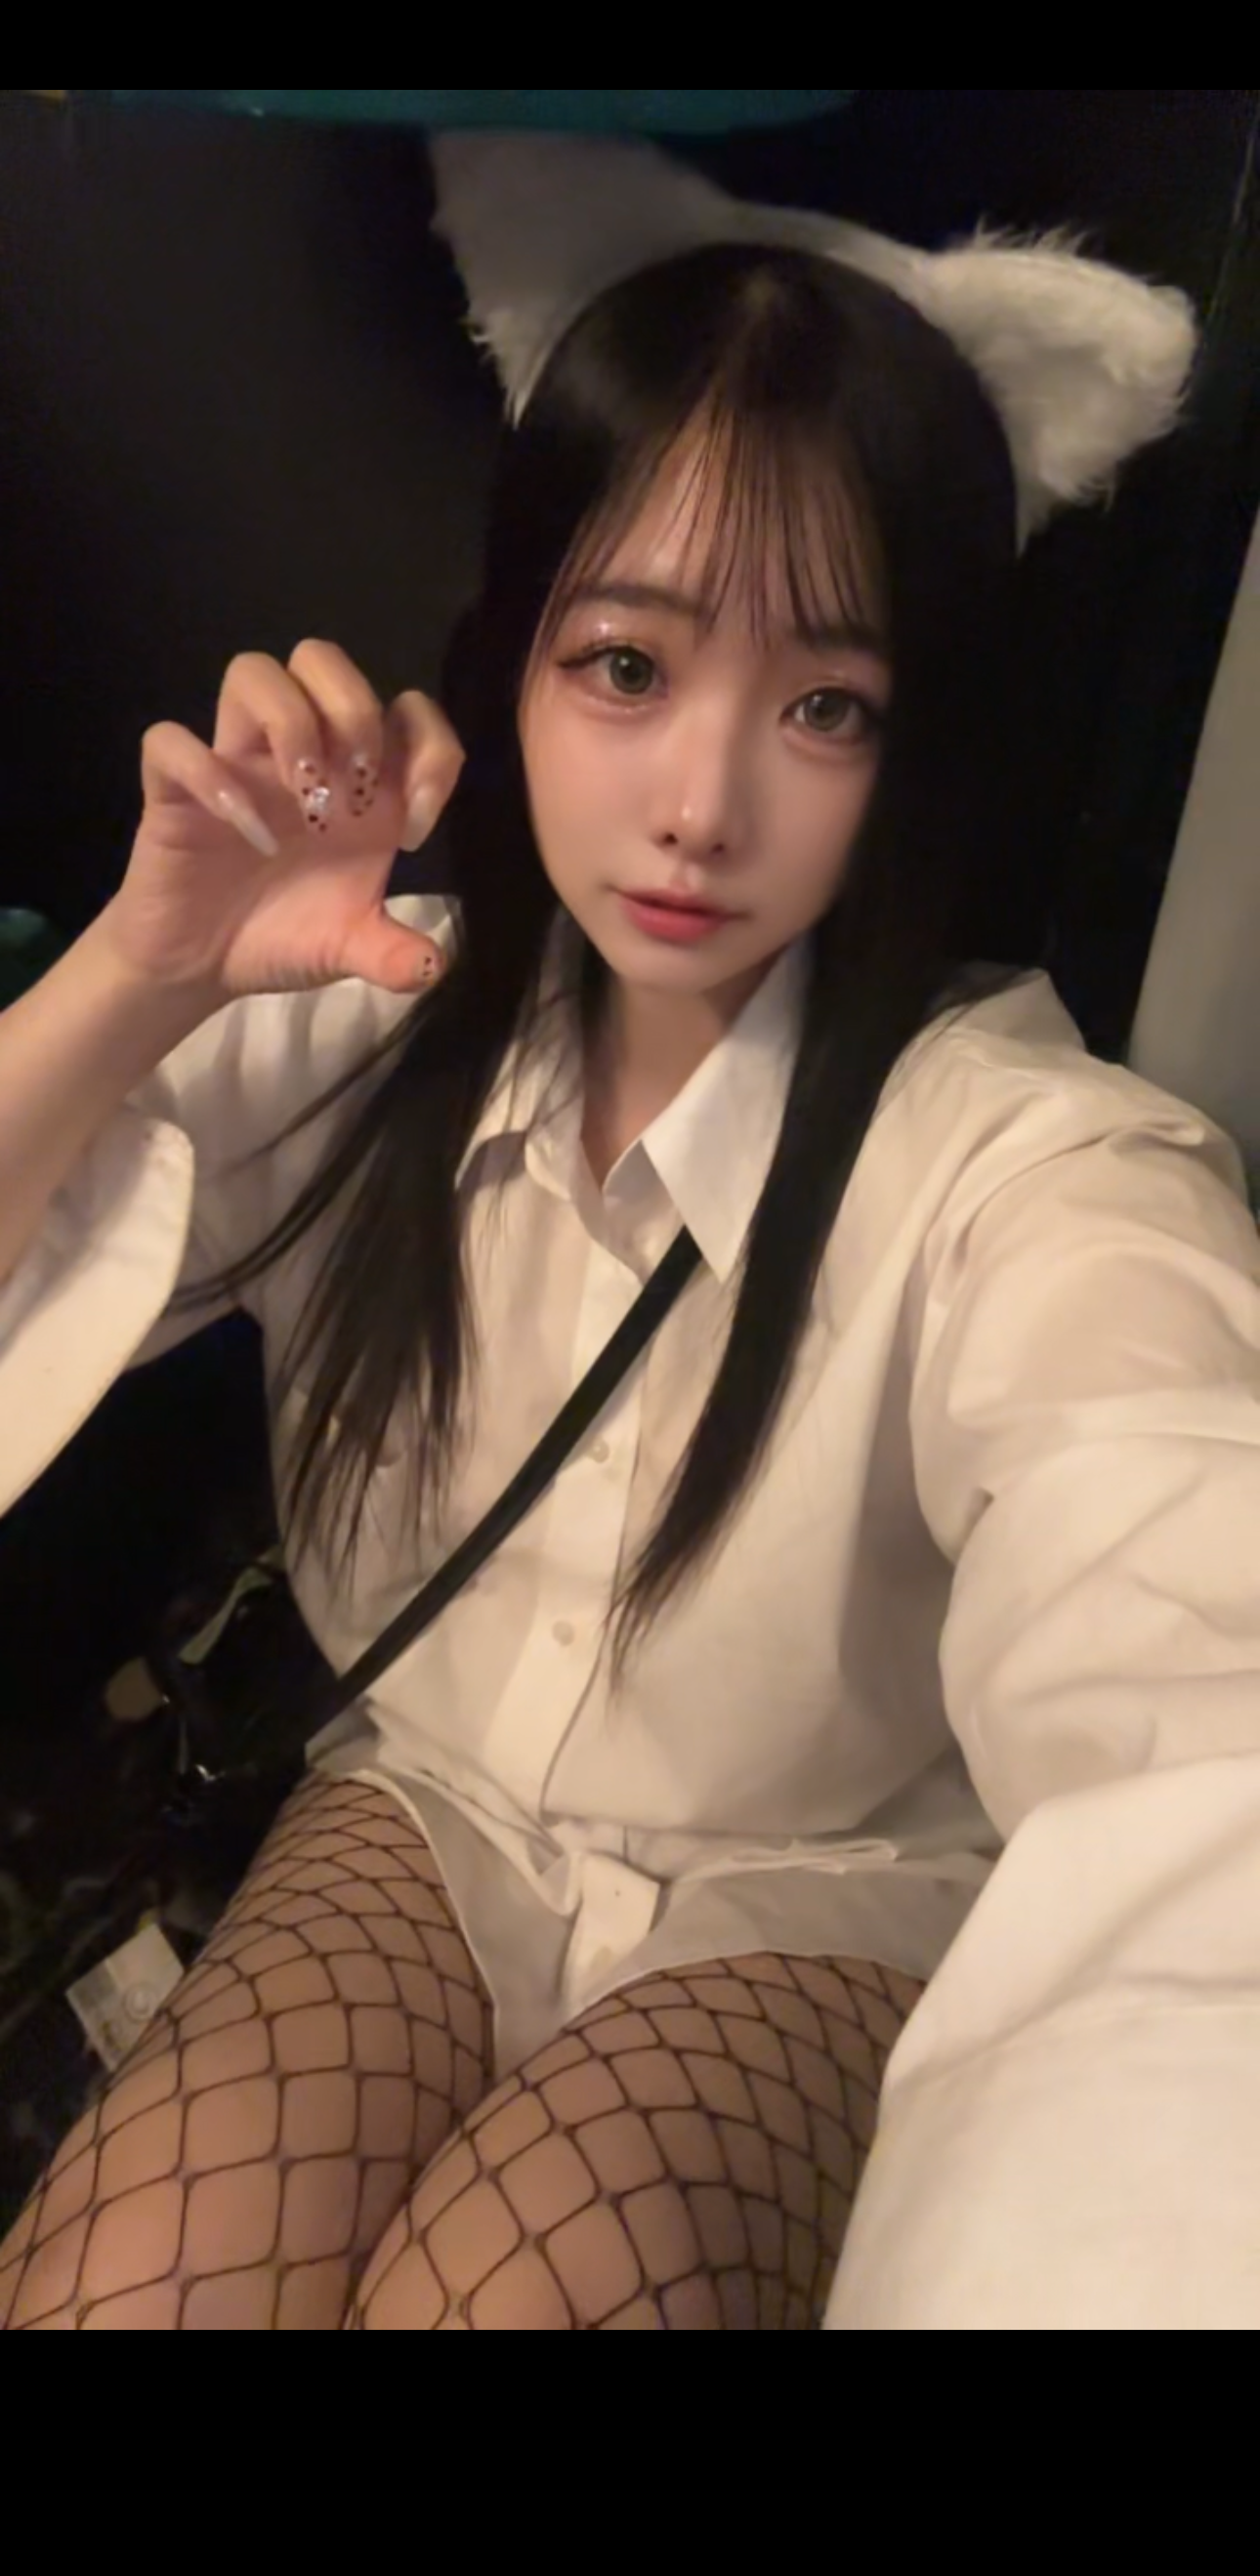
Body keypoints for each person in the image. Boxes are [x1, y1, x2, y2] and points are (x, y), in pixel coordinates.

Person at [1, 136, 1257, 2333]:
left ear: (914, 741)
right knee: (130, 2277)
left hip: (822, 1888)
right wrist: (141, 974)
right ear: (513, 658)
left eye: (822, 705)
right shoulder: (380, 1024)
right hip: (428, 1807)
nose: (700, 803)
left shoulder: (1032, 1174)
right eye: (624, 665)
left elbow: (1200, 1707)